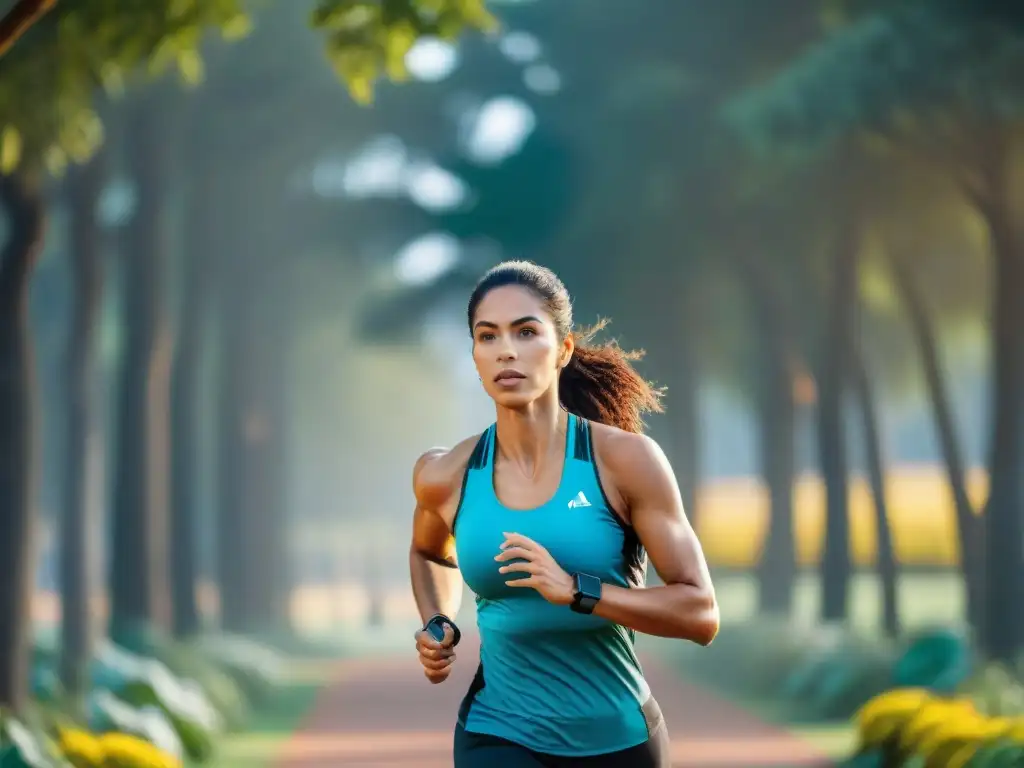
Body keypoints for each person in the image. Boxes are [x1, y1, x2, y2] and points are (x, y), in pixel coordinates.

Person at [409, 260, 719, 767]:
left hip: (618, 738)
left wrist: (580, 591)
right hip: (497, 731)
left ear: (564, 350)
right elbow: (428, 551)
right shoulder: (446, 474)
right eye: (487, 337)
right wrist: (437, 619)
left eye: (526, 331)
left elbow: (701, 614)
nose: (506, 350)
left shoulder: (624, 461)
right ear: (475, 355)